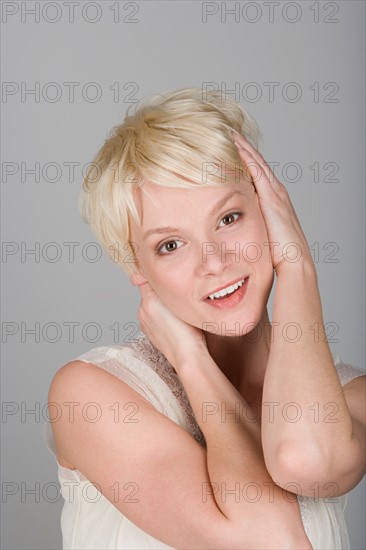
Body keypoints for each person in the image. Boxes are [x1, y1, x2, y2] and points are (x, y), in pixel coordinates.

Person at [43, 88, 366, 549]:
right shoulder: (90, 395)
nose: (213, 261)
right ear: (135, 265)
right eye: (170, 245)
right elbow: (271, 541)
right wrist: (191, 362)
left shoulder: (349, 397)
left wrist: (298, 267)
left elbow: (305, 459)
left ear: (271, 212)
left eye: (230, 218)